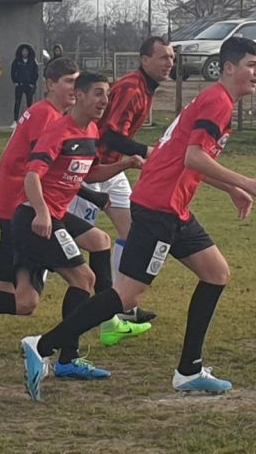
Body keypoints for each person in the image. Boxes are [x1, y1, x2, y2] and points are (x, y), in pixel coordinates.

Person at [19, 37, 256, 401]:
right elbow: (194, 157)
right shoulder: (218, 101)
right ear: (228, 68)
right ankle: (43, 345)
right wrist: (246, 182)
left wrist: (230, 189)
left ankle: (189, 371)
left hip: (173, 208)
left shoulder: (217, 100)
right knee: (127, 295)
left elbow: (182, 157)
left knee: (216, 273)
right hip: (159, 209)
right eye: (251, 65)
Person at [0, 59, 149, 361]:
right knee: (12, 291)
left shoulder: (63, 118)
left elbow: (66, 169)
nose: (74, 88)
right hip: (20, 206)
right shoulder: (48, 118)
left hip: (39, 205)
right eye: (68, 82)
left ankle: (106, 317)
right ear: (50, 84)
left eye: (77, 82)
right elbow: (39, 172)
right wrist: (89, 198)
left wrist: (106, 182)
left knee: (97, 243)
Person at [67, 36, 175, 324]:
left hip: (113, 170)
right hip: (92, 170)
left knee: (131, 233)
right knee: (66, 242)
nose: (170, 63)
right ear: (144, 60)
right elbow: (111, 135)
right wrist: (148, 153)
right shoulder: (131, 88)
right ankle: (25, 282)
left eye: (172, 58)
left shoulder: (145, 88)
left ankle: (119, 303)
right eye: (163, 57)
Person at [10, 43, 40, 124]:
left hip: (29, 85)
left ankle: (29, 120)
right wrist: (15, 82)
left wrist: (32, 83)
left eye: (26, 51)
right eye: (23, 51)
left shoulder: (33, 61)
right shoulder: (17, 61)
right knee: (17, 102)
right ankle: (15, 120)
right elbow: (13, 72)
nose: (25, 53)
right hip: (20, 84)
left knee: (29, 104)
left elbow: (36, 73)